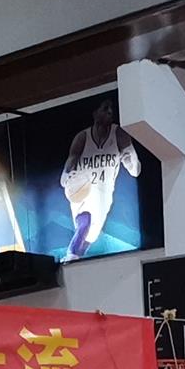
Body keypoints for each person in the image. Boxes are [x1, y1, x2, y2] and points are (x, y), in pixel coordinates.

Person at [60, 99, 142, 259]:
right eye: (105, 108)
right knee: (85, 221)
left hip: (103, 193)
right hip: (81, 187)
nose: (110, 112)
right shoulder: (82, 137)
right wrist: (66, 177)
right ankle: (70, 255)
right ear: (95, 113)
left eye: (111, 109)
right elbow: (70, 162)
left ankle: (73, 259)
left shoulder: (119, 134)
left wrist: (128, 155)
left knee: (90, 236)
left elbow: (135, 171)